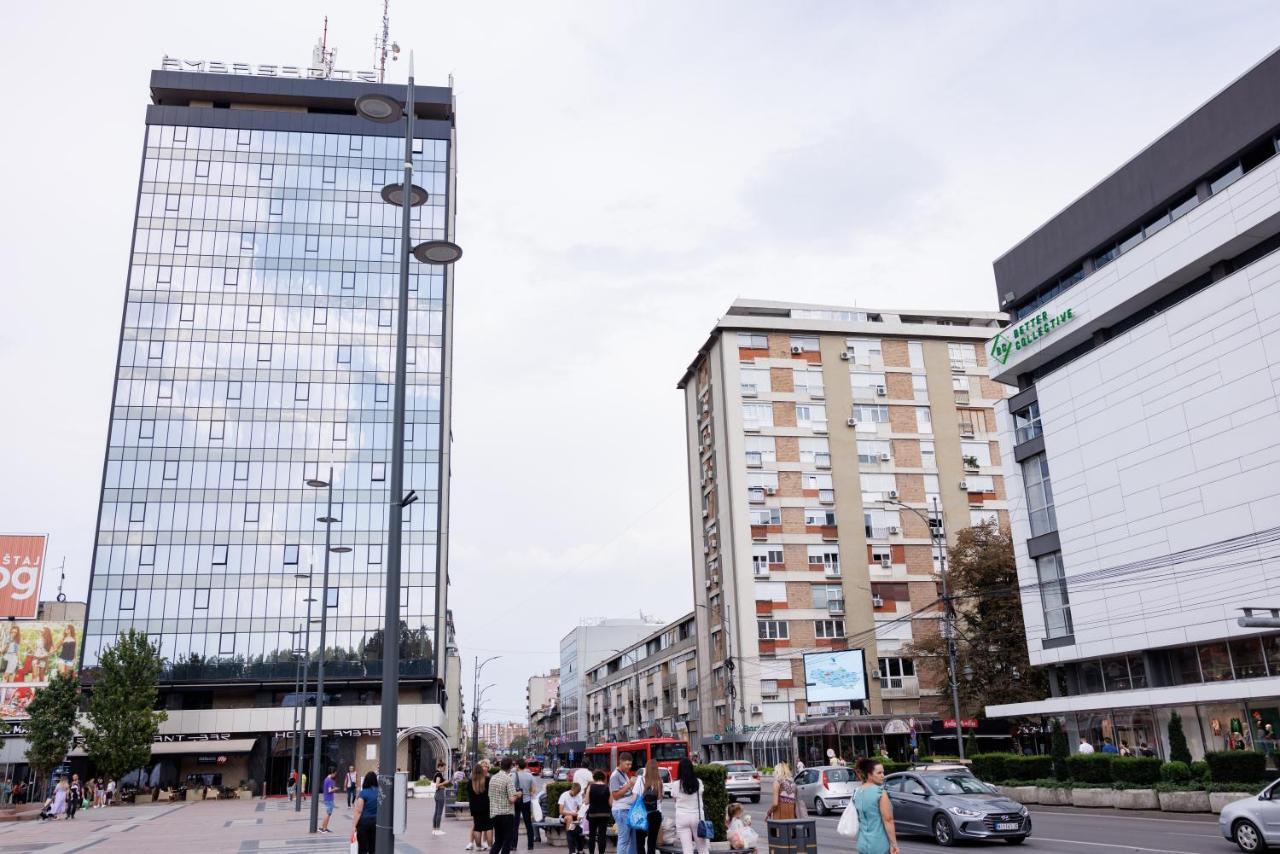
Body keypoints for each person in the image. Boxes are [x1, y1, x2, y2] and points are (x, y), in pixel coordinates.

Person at [852, 758, 899, 854]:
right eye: (879, 773)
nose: (883, 776)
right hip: (879, 844)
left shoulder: (857, 792)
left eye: (883, 772)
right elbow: (888, 820)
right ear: (869, 775)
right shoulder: (880, 792)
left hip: (862, 844)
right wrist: (894, 844)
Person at [672, 758, 708, 854]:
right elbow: (701, 797)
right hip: (697, 817)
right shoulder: (698, 782)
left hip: (682, 817)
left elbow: (675, 800)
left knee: (687, 849)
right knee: (703, 848)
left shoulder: (676, 784)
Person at [489, 756, 520, 854]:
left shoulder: (493, 778)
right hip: (506, 814)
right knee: (507, 840)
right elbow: (512, 799)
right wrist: (518, 794)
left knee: (498, 840)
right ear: (511, 766)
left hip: (494, 813)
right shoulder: (508, 779)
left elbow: (490, 795)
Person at [609, 752, 638, 854]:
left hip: (627, 809)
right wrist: (629, 785)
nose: (629, 767)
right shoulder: (615, 776)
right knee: (624, 839)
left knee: (632, 840)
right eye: (627, 764)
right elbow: (615, 796)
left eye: (630, 764)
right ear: (620, 762)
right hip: (621, 810)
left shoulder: (624, 774)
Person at [632, 762, 663, 854]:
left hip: (642, 814)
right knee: (652, 842)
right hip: (656, 814)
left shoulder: (640, 779)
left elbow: (634, 798)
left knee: (640, 842)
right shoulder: (659, 781)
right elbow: (660, 799)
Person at [512, 759, 538, 849]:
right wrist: (529, 792)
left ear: (518, 766)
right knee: (528, 824)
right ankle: (530, 845)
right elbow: (534, 789)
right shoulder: (530, 775)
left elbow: (510, 789)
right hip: (527, 801)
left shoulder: (514, 775)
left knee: (515, 824)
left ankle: (514, 845)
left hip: (516, 801)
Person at [468, 763, 494, 851]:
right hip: (487, 807)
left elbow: (470, 796)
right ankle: (490, 846)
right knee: (489, 827)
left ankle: (478, 846)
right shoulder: (487, 780)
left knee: (477, 827)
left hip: (475, 808)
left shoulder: (470, 781)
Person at [585, 770, 612, 854]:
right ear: (604, 778)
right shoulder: (608, 787)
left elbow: (586, 801)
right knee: (602, 835)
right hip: (605, 814)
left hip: (593, 814)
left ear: (594, 778)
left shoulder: (591, 787)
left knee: (592, 835)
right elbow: (611, 803)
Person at [352, 771, 379, 854]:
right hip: (376, 822)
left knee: (363, 848)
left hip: (364, 822)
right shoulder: (380, 792)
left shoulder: (363, 793)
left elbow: (358, 811)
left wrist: (353, 826)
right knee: (373, 847)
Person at [558, 782, 584, 854]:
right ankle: (572, 851)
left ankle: (579, 850)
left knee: (578, 829)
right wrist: (571, 813)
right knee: (570, 820)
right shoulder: (564, 795)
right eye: (574, 793)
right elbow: (561, 811)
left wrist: (578, 813)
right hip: (565, 816)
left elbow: (580, 809)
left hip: (575, 816)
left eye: (577, 794)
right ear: (572, 789)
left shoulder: (578, 796)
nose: (575, 795)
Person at [432, 759, 449, 836]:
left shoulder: (435, 773)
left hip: (437, 794)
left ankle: (434, 829)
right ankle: (437, 829)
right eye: (444, 767)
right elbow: (437, 785)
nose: (445, 769)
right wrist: (445, 782)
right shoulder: (439, 774)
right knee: (439, 813)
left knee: (436, 812)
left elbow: (435, 784)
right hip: (440, 794)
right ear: (440, 767)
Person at [319, 768, 337, 834]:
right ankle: (323, 829)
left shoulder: (326, 779)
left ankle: (324, 828)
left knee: (328, 813)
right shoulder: (329, 780)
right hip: (329, 799)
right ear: (332, 773)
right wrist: (335, 789)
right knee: (328, 814)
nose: (335, 775)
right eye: (335, 774)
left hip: (327, 798)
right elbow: (329, 790)